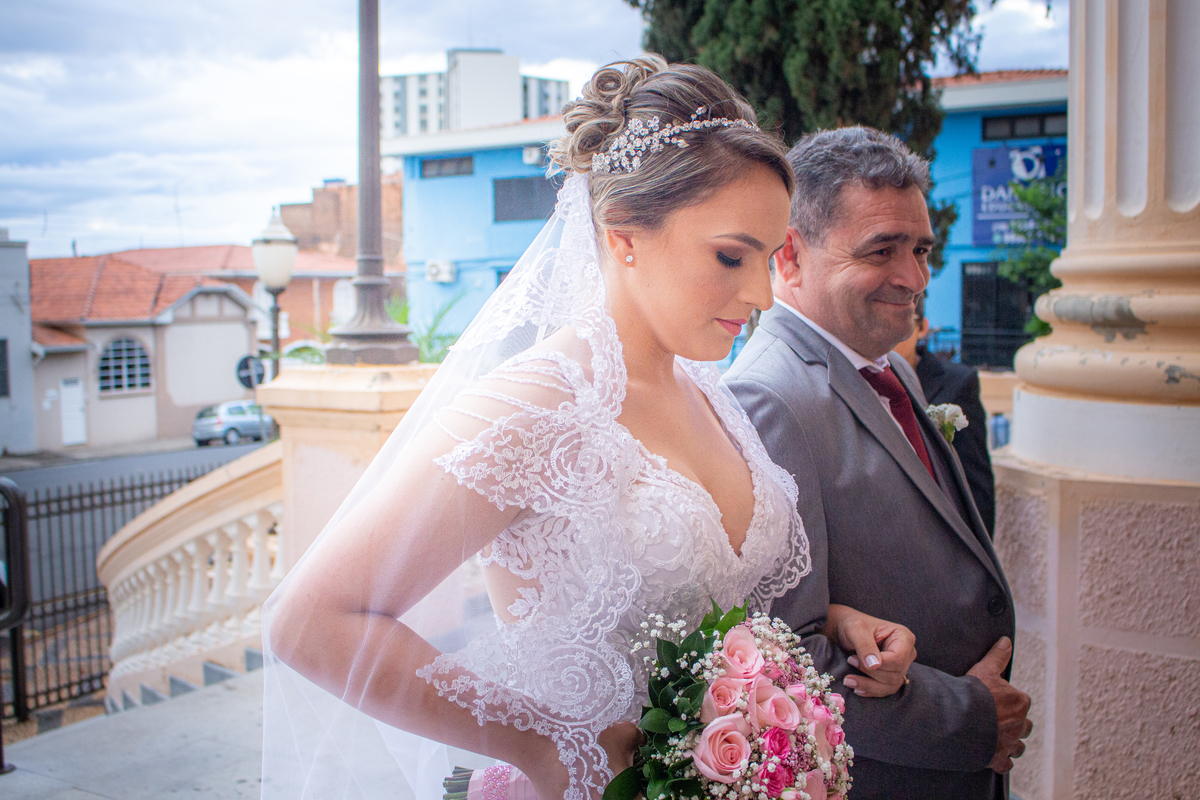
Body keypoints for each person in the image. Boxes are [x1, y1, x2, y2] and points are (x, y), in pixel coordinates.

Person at [261, 61, 914, 800]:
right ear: (624, 235)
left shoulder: (710, 393)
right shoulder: (537, 405)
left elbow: (697, 598)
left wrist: (834, 621)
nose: (761, 294)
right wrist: (547, 746)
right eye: (732, 256)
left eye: (768, 260)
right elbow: (308, 621)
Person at [724, 126, 1032, 800]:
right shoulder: (769, 398)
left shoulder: (890, 366)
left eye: (920, 250)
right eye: (881, 250)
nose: (915, 278)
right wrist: (970, 718)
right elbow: (788, 657)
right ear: (792, 254)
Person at [894, 293, 996, 535]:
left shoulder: (958, 383)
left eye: (902, 318)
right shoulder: (859, 379)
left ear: (921, 328)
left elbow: (975, 483)